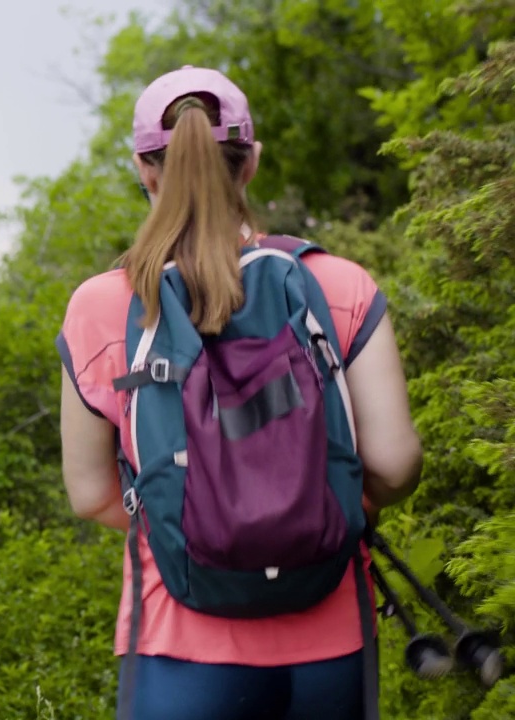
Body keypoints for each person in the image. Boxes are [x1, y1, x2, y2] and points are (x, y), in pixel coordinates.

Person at [55, 65, 423, 720]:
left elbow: (90, 493)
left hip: (178, 645)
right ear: (249, 161)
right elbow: (395, 463)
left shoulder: (102, 306)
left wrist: (191, 519)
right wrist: (312, 505)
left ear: (145, 168)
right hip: (328, 636)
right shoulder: (339, 285)